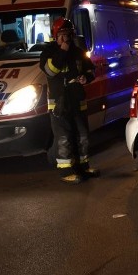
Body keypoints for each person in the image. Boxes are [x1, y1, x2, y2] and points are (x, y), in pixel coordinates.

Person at [39, 17, 98, 184]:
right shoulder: (49, 52)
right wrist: (62, 50)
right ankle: (66, 172)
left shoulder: (78, 52)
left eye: (69, 34)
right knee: (64, 138)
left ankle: (84, 167)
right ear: (55, 36)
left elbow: (91, 70)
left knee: (83, 136)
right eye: (63, 35)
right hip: (59, 103)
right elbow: (50, 71)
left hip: (77, 99)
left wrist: (86, 77)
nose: (67, 38)